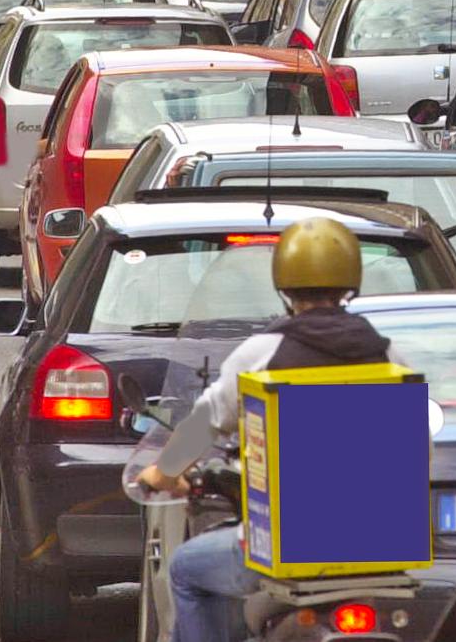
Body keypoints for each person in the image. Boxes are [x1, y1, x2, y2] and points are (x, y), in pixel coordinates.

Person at [137, 217, 397, 642]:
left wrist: (162, 473)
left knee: (184, 568)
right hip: (379, 551)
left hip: (283, 550)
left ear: (283, 284)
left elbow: (203, 425)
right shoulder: (388, 355)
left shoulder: (264, 353)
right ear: (352, 280)